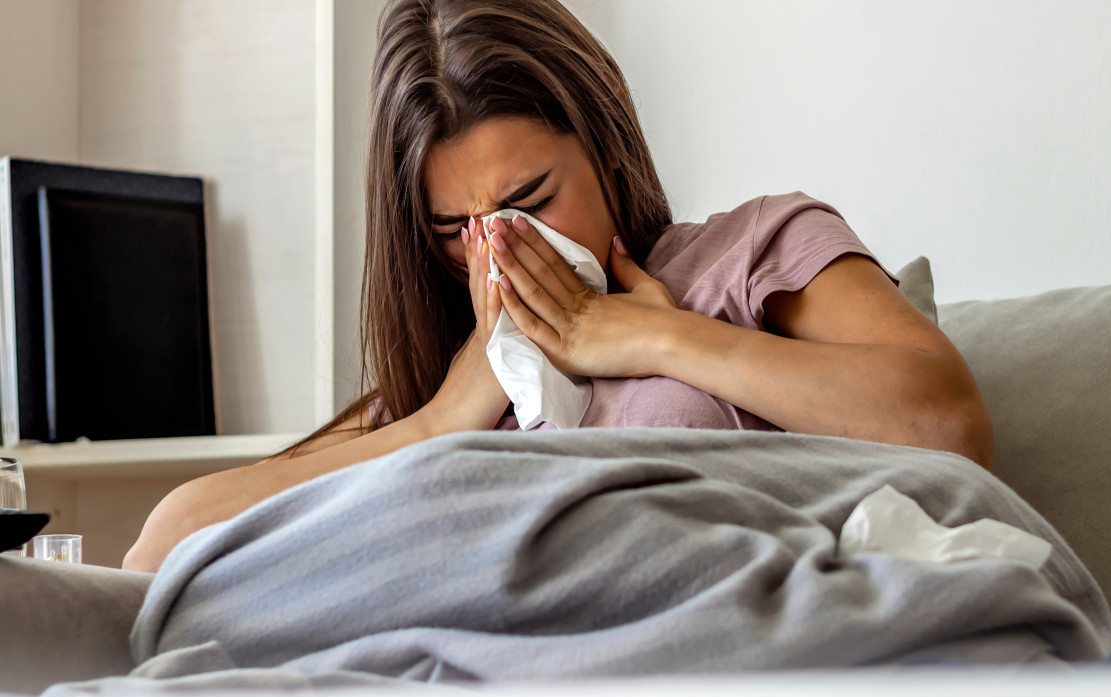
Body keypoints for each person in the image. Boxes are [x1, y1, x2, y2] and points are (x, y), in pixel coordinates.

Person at [122, 0, 992, 573]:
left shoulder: (752, 249)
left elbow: (947, 427)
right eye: (453, 230)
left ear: (607, 150)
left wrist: (654, 337)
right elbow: (162, 549)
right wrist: (441, 419)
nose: (499, 248)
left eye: (531, 200)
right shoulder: (446, 380)